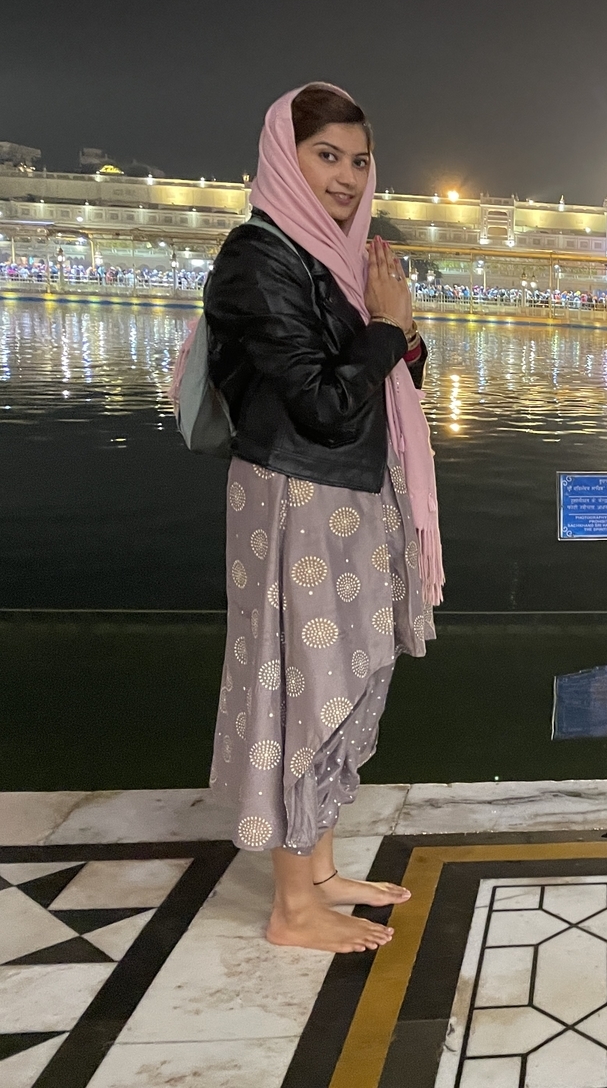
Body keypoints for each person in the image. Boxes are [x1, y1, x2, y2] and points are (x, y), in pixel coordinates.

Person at [202, 83, 445, 952]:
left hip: (348, 497)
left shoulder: (335, 259)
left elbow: (394, 375)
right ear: (285, 159)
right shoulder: (259, 258)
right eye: (326, 157)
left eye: (358, 158)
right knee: (300, 687)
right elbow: (322, 401)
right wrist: (386, 328)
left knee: (344, 682)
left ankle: (322, 867)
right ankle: (292, 907)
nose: (346, 177)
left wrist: (397, 333)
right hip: (297, 500)